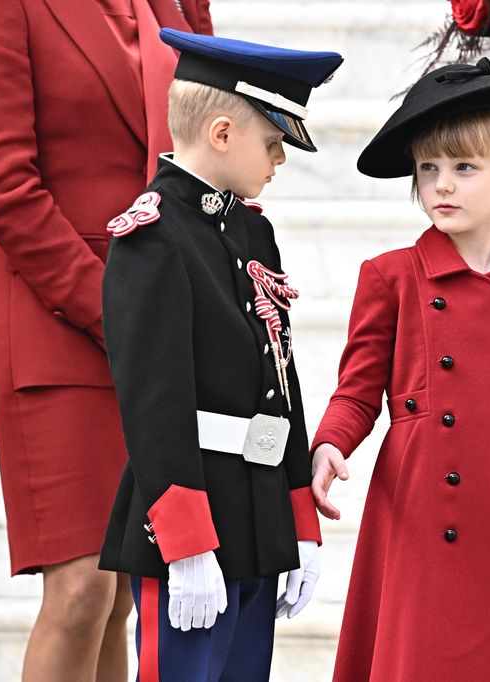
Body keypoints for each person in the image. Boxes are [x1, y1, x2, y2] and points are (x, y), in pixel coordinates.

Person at [0, 2, 211, 680]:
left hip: (161, 315)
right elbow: (2, 189)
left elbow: (213, 138)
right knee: (82, 585)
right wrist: (117, 311)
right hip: (54, 315)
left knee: (120, 589)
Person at [310, 59, 490, 681]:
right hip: (419, 518)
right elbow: (356, 392)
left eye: (465, 168)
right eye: (429, 168)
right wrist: (330, 442)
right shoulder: (390, 277)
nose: (443, 185)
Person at [99, 28, 342, 680]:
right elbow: (155, 402)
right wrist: (185, 547)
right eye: (273, 143)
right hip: (190, 521)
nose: (281, 160)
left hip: (257, 515)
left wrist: (300, 521)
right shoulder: (154, 236)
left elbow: (280, 385)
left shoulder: (252, 229)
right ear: (223, 133)